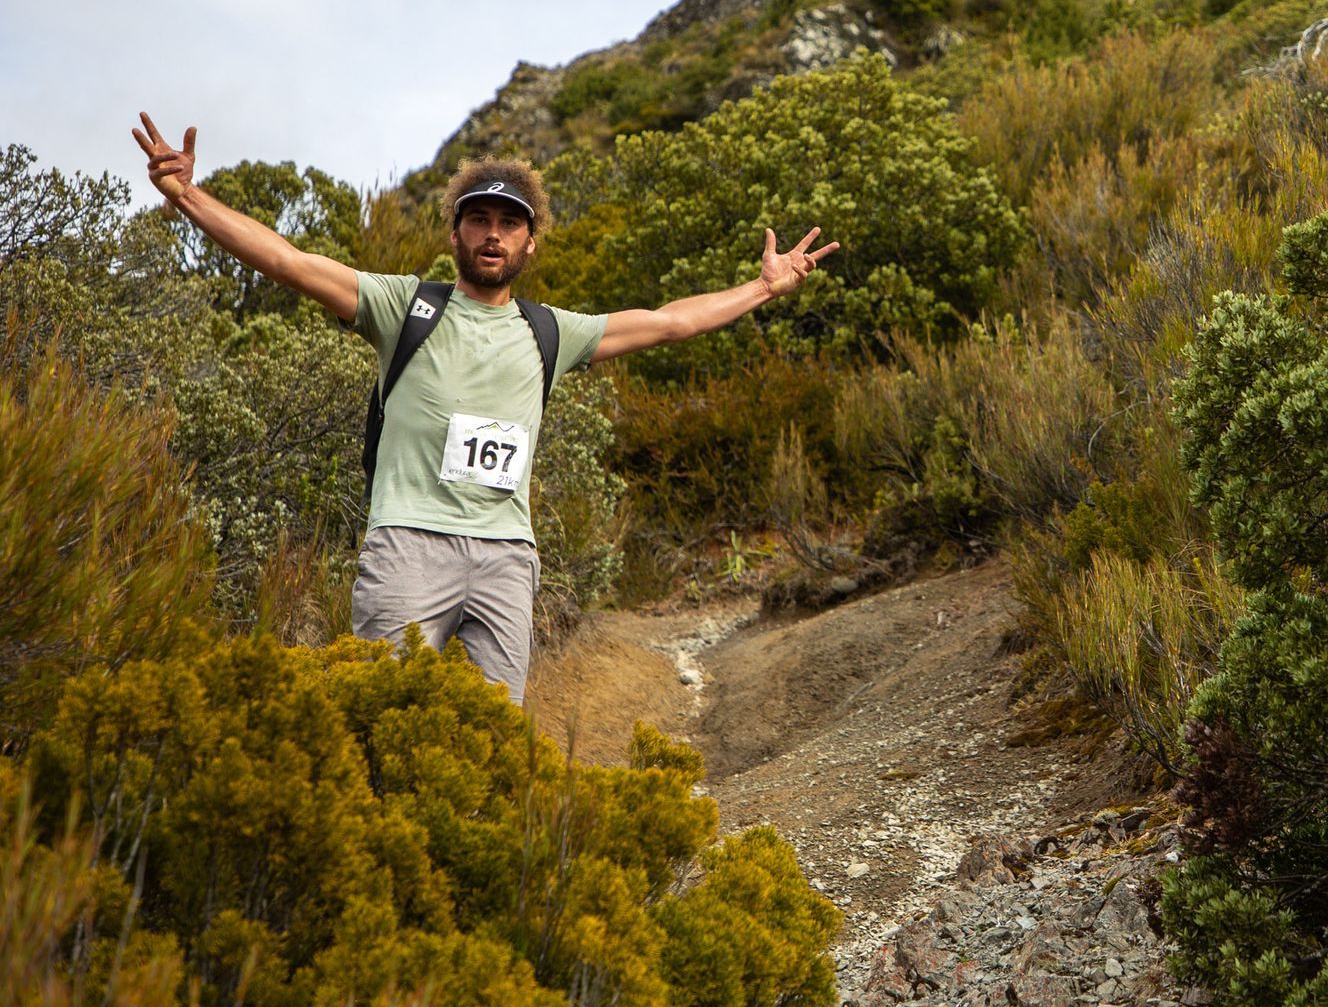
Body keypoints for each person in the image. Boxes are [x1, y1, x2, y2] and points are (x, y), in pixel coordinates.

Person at [133, 112, 838, 704]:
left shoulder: (552, 333)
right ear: (455, 235)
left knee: (491, 737)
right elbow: (287, 260)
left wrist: (762, 290)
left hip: (507, 559)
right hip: (408, 544)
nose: (492, 233)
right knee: (381, 713)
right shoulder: (402, 305)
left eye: (508, 222)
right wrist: (188, 197)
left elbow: (669, 321)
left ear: (530, 241)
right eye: (478, 220)